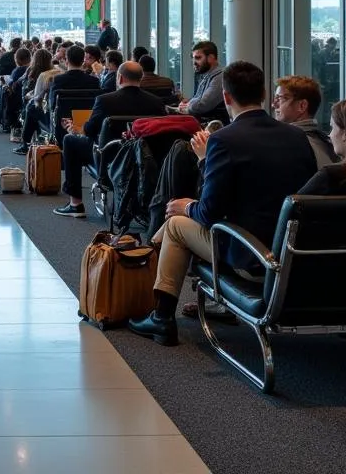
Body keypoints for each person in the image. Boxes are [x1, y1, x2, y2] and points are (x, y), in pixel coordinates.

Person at [128, 61, 317, 347]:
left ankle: (162, 316)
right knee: (175, 220)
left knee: (177, 223)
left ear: (226, 97)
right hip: (290, 250)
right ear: (264, 95)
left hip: (251, 253)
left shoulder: (224, 140)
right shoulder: (297, 137)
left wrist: (186, 206)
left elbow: (208, 213)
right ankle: (152, 270)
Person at [53, 62, 168, 217]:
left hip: (109, 159)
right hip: (147, 160)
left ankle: (76, 203)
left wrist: (76, 128)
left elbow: (89, 130)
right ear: (140, 79)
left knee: (70, 140)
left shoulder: (104, 100)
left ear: (119, 78)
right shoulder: (156, 102)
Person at [273, 75, 336, 168]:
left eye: (281, 98)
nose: (274, 104)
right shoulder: (324, 142)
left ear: (302, 106)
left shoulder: (292, 145)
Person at [46, 43, 100, 132]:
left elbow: (52, 105)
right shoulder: (94, 81)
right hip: (86, 125)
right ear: (83, 61)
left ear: (67, 61)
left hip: (63, 126)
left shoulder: (58, 80)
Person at [176, 41, 229, 124]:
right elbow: (198, 100)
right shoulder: (208, 75)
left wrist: (188, 105)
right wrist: (189, 103)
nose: (194, 63)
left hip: (212, 126)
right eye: (193, 58)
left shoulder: (220, 77)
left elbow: (201, 105)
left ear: (211, 58)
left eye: (198, 58)